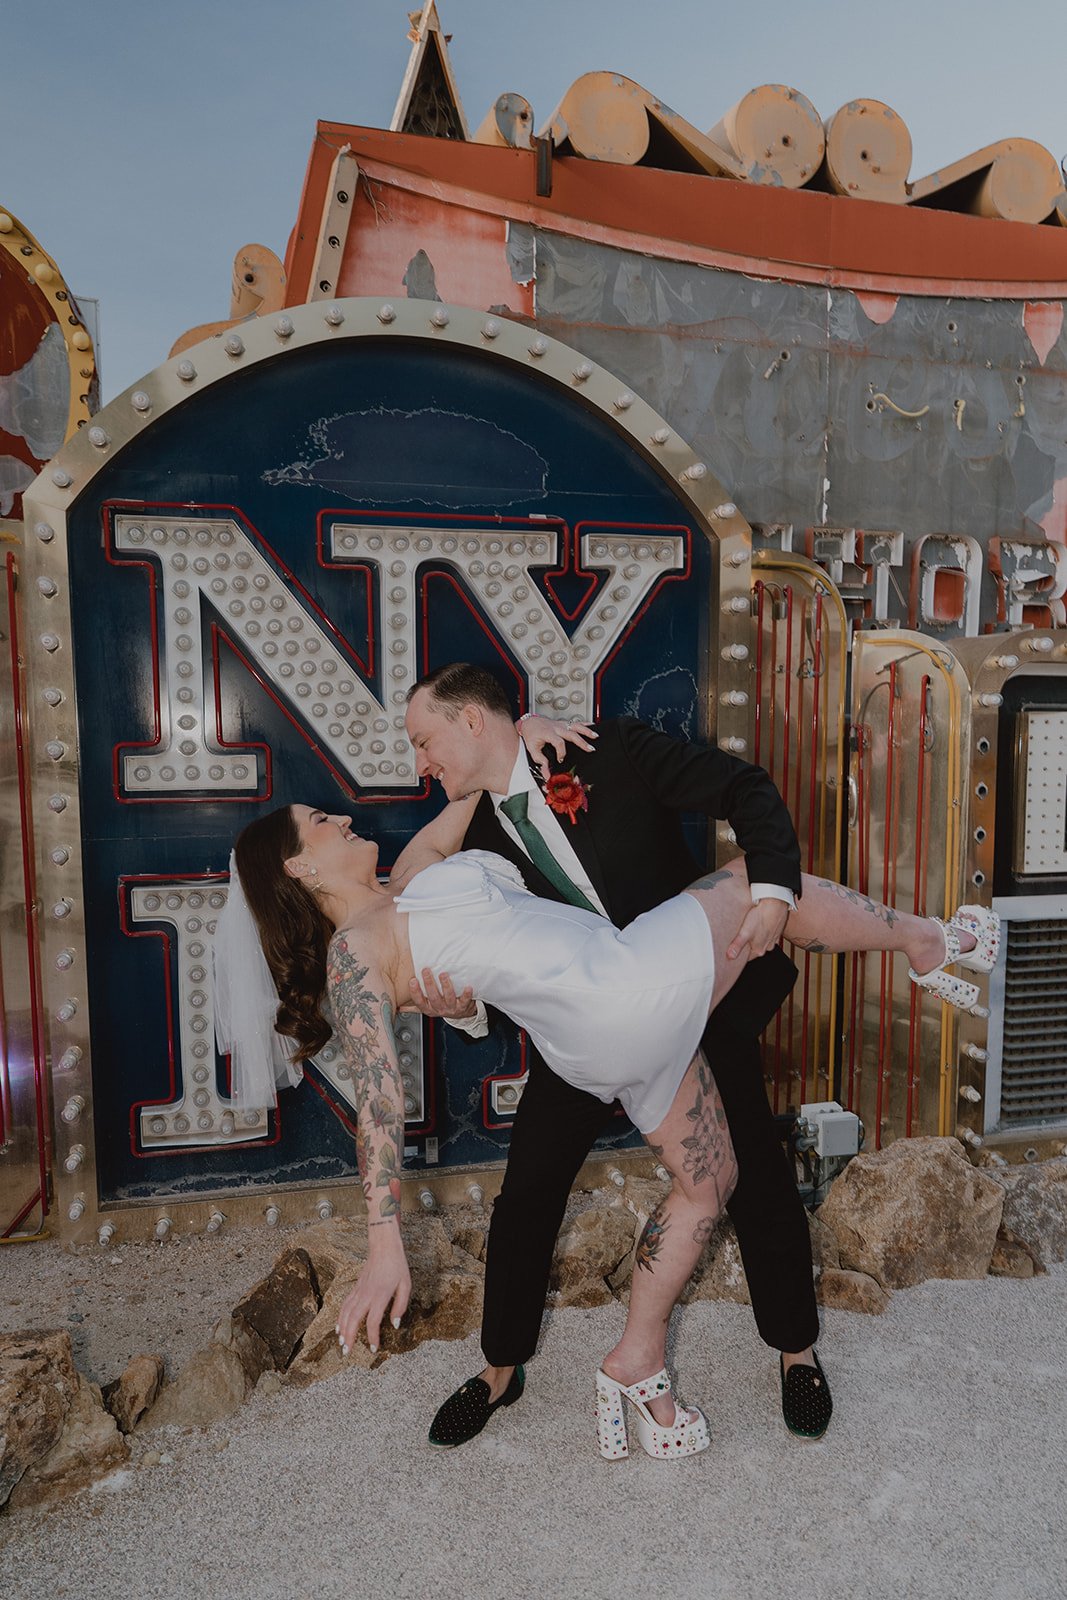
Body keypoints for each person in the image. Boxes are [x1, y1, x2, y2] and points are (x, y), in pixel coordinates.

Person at [223, 787, 996, 1461]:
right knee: (746, 882)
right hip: (618, 990)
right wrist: (383, 1244)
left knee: (711, 1183)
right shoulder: (355, 953)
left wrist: (517, 735)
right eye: (321, 820)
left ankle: (637, 1357)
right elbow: (379, 1098)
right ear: (300, 867)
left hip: (608, 1035)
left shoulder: (408, 883)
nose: (345, 818)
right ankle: (923, 940)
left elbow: (460, 806)